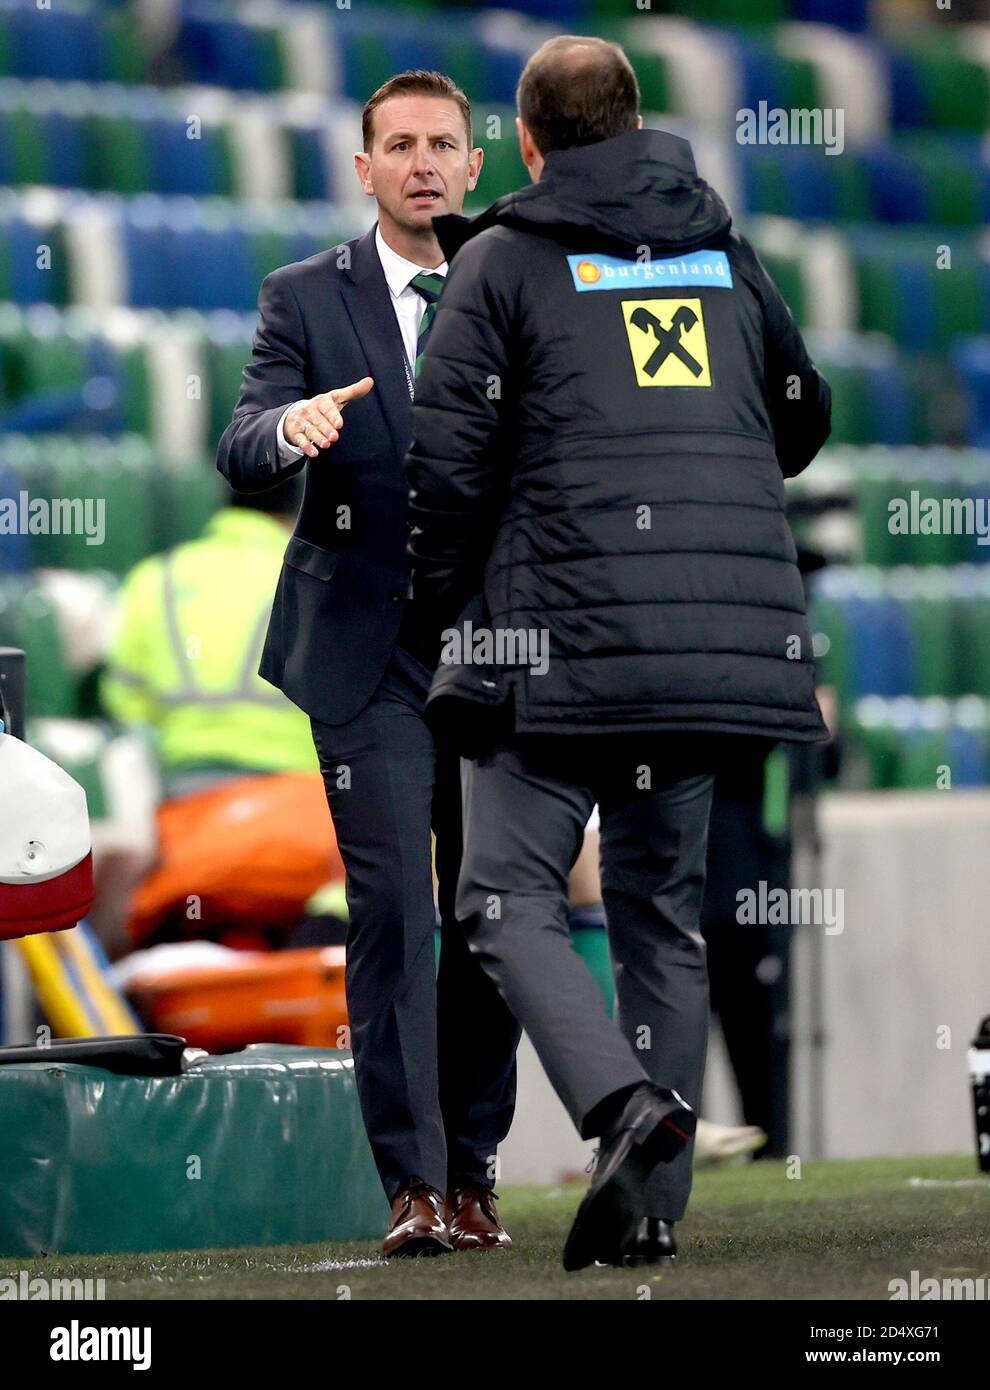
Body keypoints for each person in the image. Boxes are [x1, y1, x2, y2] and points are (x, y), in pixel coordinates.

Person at [405, 35, 831, 1269]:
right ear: (637, 125)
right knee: (662, 916)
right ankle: (650, 1211)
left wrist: (449, 617)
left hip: (555, 647)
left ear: (527, 144)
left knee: (498, 897)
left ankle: (618, 1107)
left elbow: (447, 466)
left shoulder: (498, 261)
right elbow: (802, 418)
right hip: (713, 648)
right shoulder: (726, 249)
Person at [216, 71, 521, 1257]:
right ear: (364, 169)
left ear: (474, 165)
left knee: (491, 909)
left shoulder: (514, 283)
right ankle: (413, 1184)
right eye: (399, 145)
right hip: (362, 654)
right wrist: (288, 430)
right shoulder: (303, 295)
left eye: (444, 143)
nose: (423, 163)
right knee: (397, 903)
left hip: (494, 654)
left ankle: (478, 1165)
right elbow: (242, 437)